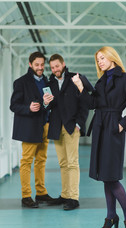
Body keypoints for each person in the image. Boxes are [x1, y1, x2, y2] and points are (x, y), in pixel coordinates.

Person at [72, 46, 126, 228]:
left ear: (112, 58)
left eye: (102, 58)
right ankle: (111, 216)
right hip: (100, 127)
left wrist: (122, 125)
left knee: (111, 176)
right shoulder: (102, 81)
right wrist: (81, 88)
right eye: (98, 60)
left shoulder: (125, 79)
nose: (100, 62)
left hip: (113, 128)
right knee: (105, 176)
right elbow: (93, 104)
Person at [43, 54, 89, 210]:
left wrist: (79, 123)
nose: (55, 69)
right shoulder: (49, 83)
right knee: (63, 163)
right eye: (53, 67)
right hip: (56, 127)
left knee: (72, 163)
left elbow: (84, 103)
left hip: (71, 127)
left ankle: (73, 198)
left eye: (57, 66)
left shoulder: (75, 79)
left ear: (63, 64)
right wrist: (45, 102)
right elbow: (49, 106)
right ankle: (65, 195)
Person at [10, 52, 55, 208]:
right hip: (29, 127)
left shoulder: (47, 81)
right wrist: (28, 107)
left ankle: (41, 193)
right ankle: (26, 196)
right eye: (37, 65)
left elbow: (46, 105)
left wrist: (47, 104)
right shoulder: (21, 82)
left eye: (42, 65)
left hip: (44, 125)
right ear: (30, 64)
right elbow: (14, 105)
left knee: (41, 161)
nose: (40, 68)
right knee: (27, 161)